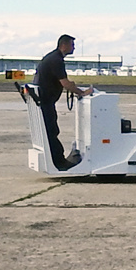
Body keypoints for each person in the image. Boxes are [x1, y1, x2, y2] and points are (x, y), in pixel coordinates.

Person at [35, 35, 91, 171]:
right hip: (46, 101)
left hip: (44, 100)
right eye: (72, 45)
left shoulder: (53, 57)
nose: (74, 48)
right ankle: (59, 162)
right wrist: (82, 92)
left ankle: (57, 160)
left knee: (51, 131)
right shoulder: (56, 60)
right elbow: (65, 83)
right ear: (64, 45)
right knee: (51, 131)